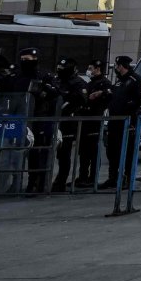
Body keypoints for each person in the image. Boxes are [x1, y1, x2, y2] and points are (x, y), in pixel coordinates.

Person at [0, 47, 60, 194]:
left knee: (36, 152)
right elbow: (5, 93)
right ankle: (13, 182)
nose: (24, 62)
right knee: (13, 153)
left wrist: (41, 90)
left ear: (35, 60)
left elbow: (54, 93)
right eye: (22, 59)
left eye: (28, 59)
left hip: (38, 118)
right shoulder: (16, 76)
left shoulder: (44, 76)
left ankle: (35, 183)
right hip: (17, 118)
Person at [103, 56, 141, 189]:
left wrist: (126, 107)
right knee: (112, 150)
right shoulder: (119, 82)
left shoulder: (136, 80)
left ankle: (127, 178)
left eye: (116, 66)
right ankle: (113, 178)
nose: (115, 68)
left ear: (121, 66)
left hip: (128, 121)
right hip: (114, 121)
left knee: (127, 151)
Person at [50, 59, 89, 193]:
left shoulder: (78, 83)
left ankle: (61, 181)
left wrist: (66, 107)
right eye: (59, 67)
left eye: (63, 68)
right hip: (53, 119)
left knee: (64, 152)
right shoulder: (57, 80)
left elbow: (80, 101)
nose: (59, 70)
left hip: (68, 122)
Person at [76, 60, 110, 189]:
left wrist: (101, 94)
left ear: (97, 68)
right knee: (83, 151)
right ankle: (82, 176)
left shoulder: (104, 83)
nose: (89, 70)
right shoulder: (90, 83)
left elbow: (109, 96)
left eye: (91, 68)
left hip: (95, 121)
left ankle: (92, 177)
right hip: (86, 121)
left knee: (93, 151)